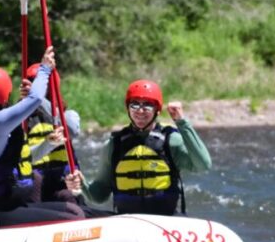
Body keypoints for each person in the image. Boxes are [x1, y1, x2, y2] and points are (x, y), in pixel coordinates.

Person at [0, 46, 85, 229]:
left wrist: (48, 144)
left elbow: (68, 128)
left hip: (4, 203)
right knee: (72, 214)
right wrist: (45, 69)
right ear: (6, 94)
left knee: (71, 207)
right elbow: (34, 100)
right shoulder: (1, 122)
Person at [73, 79, 211, 216]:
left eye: (147, 105)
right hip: (129, 221)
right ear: (128, 108)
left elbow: (203, 165)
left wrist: (182, 123)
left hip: (166, 219)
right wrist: (81, 183)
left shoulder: (171, 141)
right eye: (134, 105)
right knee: (81, 213)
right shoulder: (114, 145)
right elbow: (98, 196)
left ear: (157, 110)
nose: (140, 111)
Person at [19, 63, 82, 204]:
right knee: (34, 180)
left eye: (43, 88)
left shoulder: (68, 115)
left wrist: (37, 98)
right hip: (34, 188)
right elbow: (21, 159)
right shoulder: (19, 121)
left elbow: (71, 129)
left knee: (68, 196)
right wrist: (48, 143)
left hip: (62, 185)